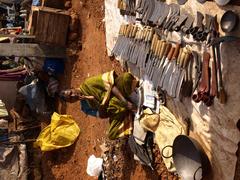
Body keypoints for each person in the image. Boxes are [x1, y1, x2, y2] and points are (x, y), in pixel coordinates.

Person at [59, 70, 139, 140]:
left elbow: (111, 85)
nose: (73, 96)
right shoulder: (85, 108)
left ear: (72, 88)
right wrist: (96, 102)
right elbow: (104, 115)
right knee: (111, 134)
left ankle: (130, 103)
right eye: (71, 99)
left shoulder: (88, 83)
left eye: (71, 93)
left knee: (126, 78)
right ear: (71, 103)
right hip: (115, 110)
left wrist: (124, 101)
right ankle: (129, 114)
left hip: (119, 93)